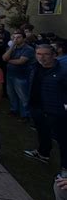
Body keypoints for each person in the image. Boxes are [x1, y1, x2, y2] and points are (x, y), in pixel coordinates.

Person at [23, 45, 67, 179]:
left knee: (63, 140)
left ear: (54, 55)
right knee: (42, 132)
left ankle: (65, 168)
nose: (41, 57)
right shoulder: (35, 67)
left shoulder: (62, 71)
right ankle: (43, 153)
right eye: (38, 54)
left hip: (56, 110)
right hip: (36, 106)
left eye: (46, 54)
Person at [2, 30, 35, 121]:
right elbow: (4, 57)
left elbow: (20, 61)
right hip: (10, 74)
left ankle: (26, 114)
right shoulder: (12, 48)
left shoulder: (28, 49)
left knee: (23, 96)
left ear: (24, 39)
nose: (16, 39)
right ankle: (14, 110)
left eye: (18, 37)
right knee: (11, 94)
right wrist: (12, 46)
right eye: (14, 37)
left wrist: (8, 61)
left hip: (22, 75)